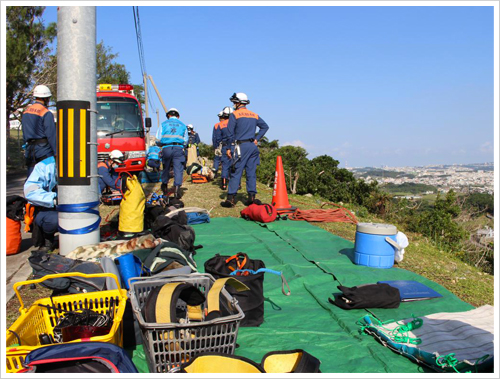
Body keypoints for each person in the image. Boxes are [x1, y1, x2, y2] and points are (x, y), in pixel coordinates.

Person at [221, 93, 269, 207]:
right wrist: (257, 139)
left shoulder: (234, 115)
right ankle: (251, 198)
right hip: (252, 147)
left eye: (234, 102)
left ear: (238, 102)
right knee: (251, 172)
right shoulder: (254, 115)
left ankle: (230, 199)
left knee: (236, 171)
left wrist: (228, 148)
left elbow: (230, 133)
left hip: (240, 147)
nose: (233, 104)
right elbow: (265, 127)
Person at [21, 85, 57, 177]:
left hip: (30, 150)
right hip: (44, 150)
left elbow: (24, 133)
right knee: (47, 177)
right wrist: (56, 152)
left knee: (32, 178)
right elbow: (51, 135)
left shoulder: (26, 112)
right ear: (46, 99)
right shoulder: (45, 113)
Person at [24, 156, 58, 249]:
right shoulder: (45, 165)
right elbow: (30, 191)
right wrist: (54, 199)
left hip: (75, 206)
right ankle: (48, 238)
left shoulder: (84, 162)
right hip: (49, 208)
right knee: (53, 221)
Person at [156, 108, 188, 198]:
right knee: (178, 168)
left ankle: (165, 186)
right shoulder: (182, 125)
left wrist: (161, 144)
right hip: (178, 148)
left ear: (168, 115)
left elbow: (158, 139)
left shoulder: (163, 124)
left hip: (166, 148)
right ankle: (177, 189)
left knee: (166, 168)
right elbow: (186, 141)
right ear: (177, 116)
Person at [219, 106, 234, 190]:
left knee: (225, 165)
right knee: (235, 165)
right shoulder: (236, 124)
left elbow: (217, 138)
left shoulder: (219, 125)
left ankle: (224, 184)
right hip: (235, 146)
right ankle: (237, 184)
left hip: (225, 146)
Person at [212, 111, 224, 178]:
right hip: (226, 144)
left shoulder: (216, 125)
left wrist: (214, 146)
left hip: (218, 144)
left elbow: (214, 137)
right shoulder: (229, 124)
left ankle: (215, 172)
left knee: (216, 159)